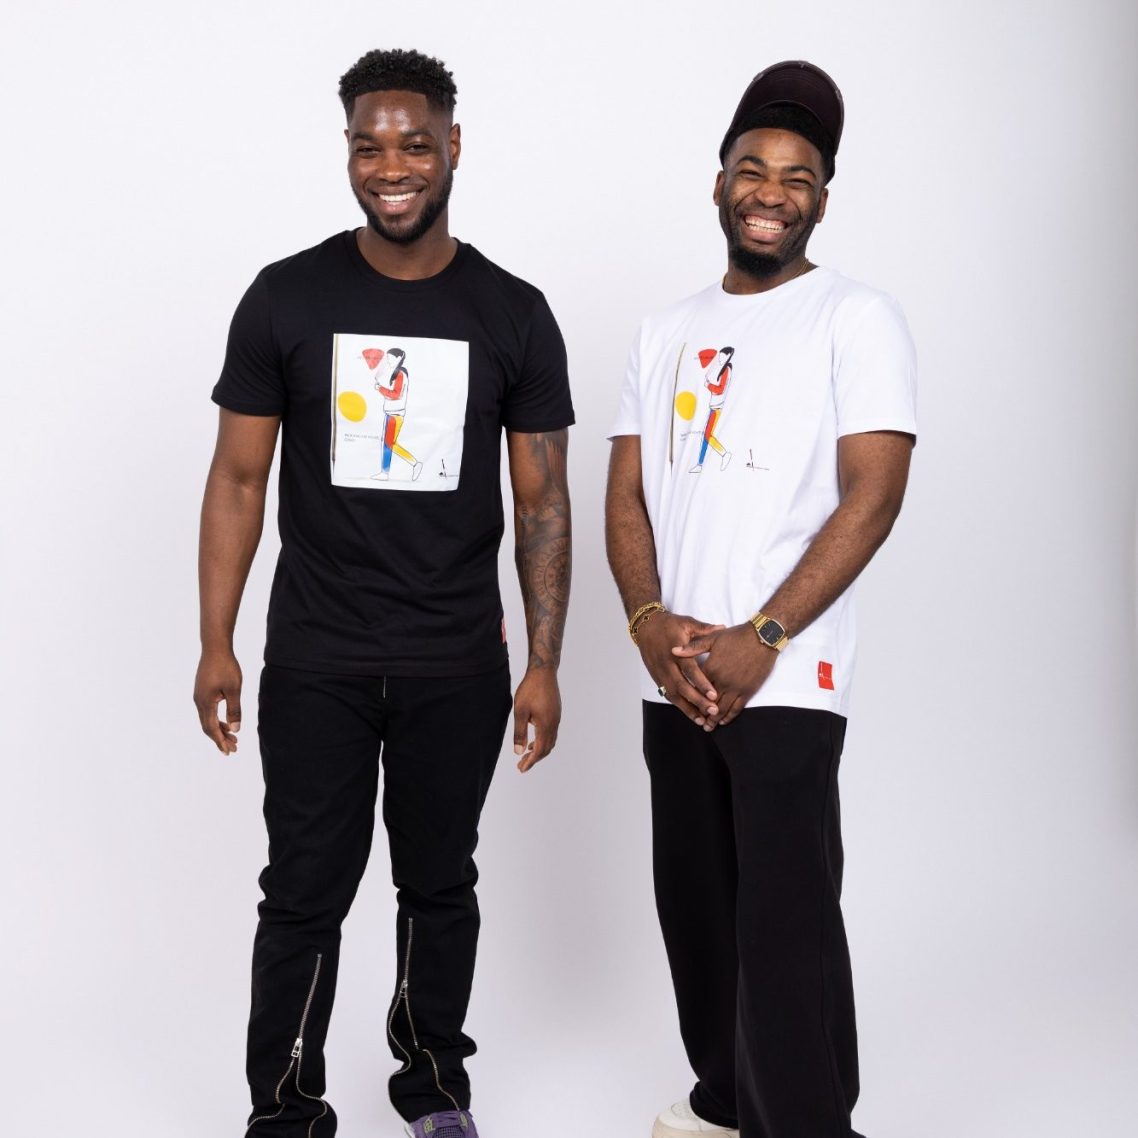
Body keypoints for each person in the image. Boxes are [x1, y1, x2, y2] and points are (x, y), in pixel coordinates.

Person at [194, 48, 574, 1138]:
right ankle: (284, 1112)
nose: (392, 166)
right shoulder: (287, 296)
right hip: (317, 656)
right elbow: (238, 479)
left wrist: (544, 663)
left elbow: (541, 501)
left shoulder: (512, 311)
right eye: (370, 146)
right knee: (303, 890)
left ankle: (434, 1092)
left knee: (439, 885)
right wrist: (216, 641)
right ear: (348, 154)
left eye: (413, 144)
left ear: (453, 146)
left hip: (457, 661)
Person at [605, 61, 917, 1138]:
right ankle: (728, 1105)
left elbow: (874, 494)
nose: (771, 192)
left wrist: (765, 633)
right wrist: (650, 626)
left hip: (786, 672)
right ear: (719, 184)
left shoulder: (856, 317)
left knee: (784, 924)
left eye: (797, 176)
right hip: (676, 672)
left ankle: (811, 1125)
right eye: (753, 169)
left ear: (822, 198)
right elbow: (627, 495)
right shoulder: (663, 330)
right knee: (697, 915)